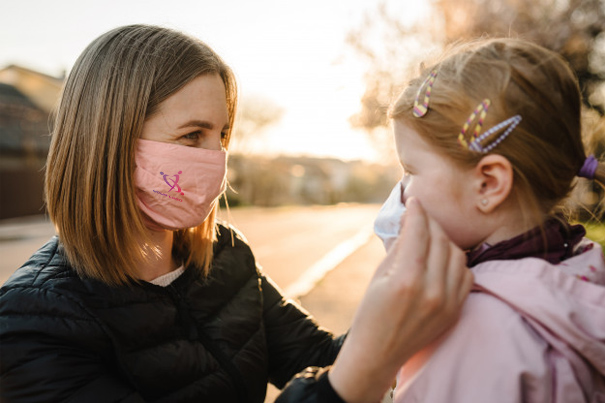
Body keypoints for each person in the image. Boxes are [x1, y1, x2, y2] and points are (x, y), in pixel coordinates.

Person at [0, 24, 474, 403]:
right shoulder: (31, 323)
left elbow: (321, 357)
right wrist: (358, 373)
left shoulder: (226, 254)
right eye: (192, 136)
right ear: (109, 142)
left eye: (222, 135)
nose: (216, 158)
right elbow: (348, 378)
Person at [373, 38, 605, 402]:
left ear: (489, 183)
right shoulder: (583, 265)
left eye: (410, 170)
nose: (402, 191)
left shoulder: (475, 330)